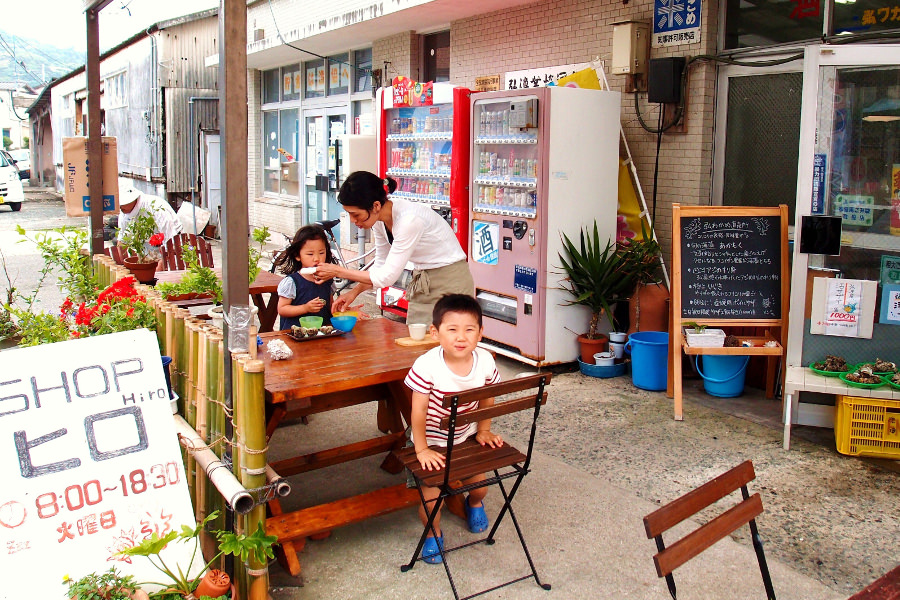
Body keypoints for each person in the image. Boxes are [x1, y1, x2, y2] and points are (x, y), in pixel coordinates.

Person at [403, 294, 502, 564]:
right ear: (435, 332)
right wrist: (421, 449)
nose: (461, 337)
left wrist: (484, 429)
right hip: (430, 441)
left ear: (480, 333)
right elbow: (418, 411)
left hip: (465, 436)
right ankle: (433, 533)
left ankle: (474, 503)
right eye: (452, 329)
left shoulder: (485, 360)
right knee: (431, 501)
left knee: (480, 487)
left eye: (469, 329)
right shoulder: (427, 365)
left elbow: (488, 396)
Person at [313, 171, 474, 325]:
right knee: (417, 338)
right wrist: (354, 292)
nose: (353, 220)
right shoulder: (379, 220)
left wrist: (338, 271)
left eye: (355, 214)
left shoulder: (408, 221)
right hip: (423, 281)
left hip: (451, 282)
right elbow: (380, 266)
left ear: (376, 205)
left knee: (448, 339)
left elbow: (386, 278)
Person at [273, 225, 335, 330]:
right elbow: (282, 309)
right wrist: (305, 308)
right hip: (296, 334)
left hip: (322, 333)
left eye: (321, 253)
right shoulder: (292, 282)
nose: (317, 258)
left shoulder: (328, 279)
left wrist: (343, 310)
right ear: (297, 255)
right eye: (310, 254)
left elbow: (331, 306)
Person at [116, 177, 183, 253]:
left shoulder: (156, 207)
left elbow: (170, 239)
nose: (120, 207)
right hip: (145, 246)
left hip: (170, 243)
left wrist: (162, 260)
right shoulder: (124, 212)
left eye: (122, 204)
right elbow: (122, 239)